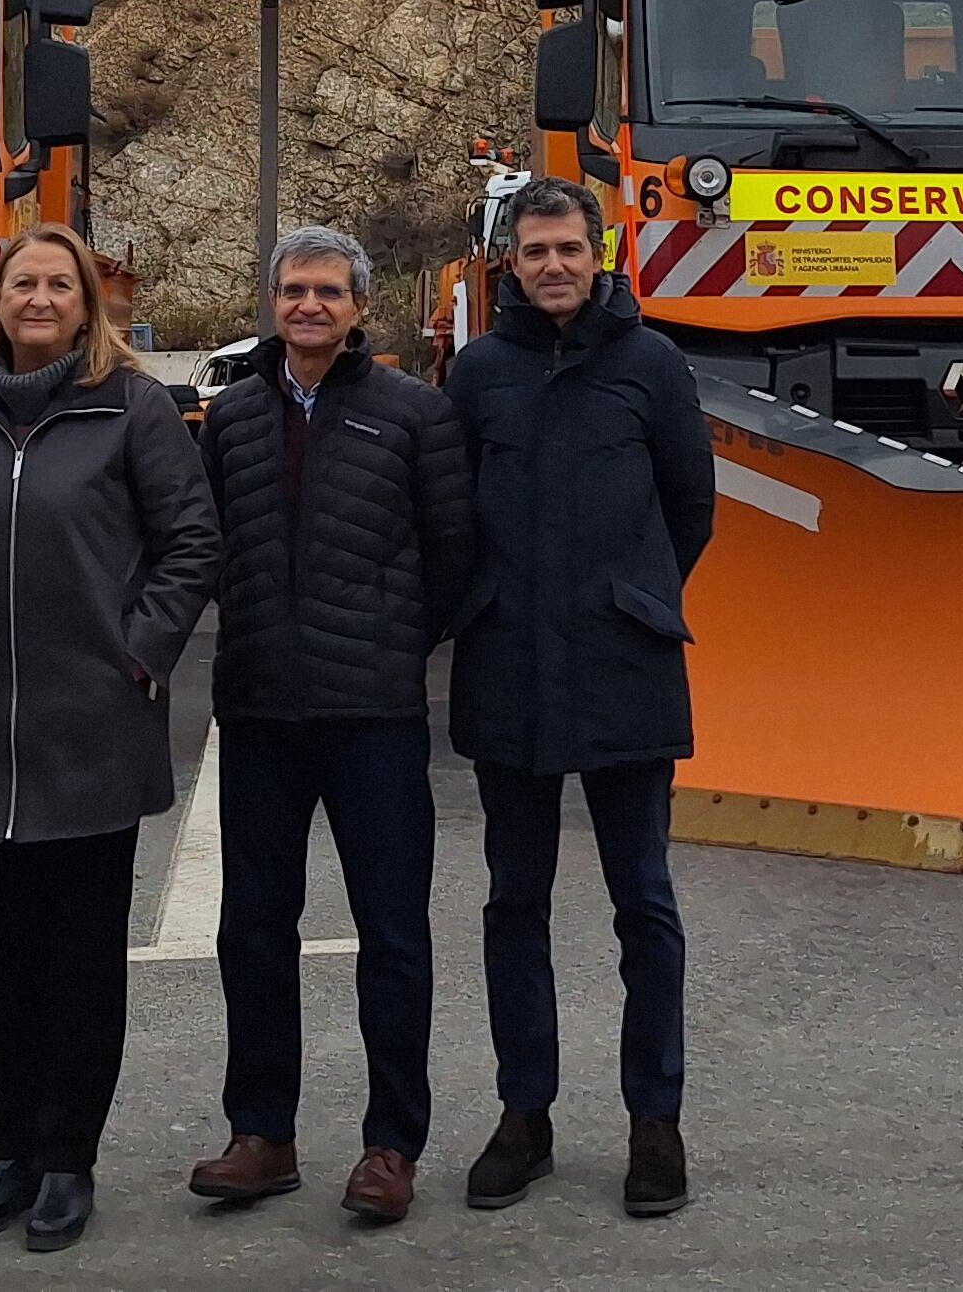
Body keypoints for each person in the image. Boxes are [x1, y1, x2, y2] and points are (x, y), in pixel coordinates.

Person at [0, 223, 218, 1255]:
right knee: (7, 954)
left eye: (58, 284)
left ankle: (68, 1159)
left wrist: (138, 654)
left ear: (88, 305)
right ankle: (9, 1152)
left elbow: (189, 541)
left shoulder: (133, 411)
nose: (38, 297)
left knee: (83, 960)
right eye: (21, 282)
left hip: (91, 729)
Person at [185, 227, 476, 1227]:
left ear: (358, 308)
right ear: (271, 303)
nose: (308, 306)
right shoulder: (229, 418)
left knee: (393, 936)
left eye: (328, 292)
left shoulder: (416, 416)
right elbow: (208, 543)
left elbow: (451, 556)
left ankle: (391, 1145)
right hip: (260, 708)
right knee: (252, 932)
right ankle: (261, 1135)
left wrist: (394, 644)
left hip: (374, 719)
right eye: (292, 290)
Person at [443, 177, 717, 1221]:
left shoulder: (651, 367)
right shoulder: (479, 375)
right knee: (515, 902)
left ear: (600, 254)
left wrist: (633, 596)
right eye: (534, 251)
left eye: (569, 249)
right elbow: (452, 512)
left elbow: (689, 506)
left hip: (623, 668)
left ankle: (656, 1120)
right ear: (508, 263)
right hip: (509, 665)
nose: (552, 266)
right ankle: (525, 1117)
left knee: (642, 902)